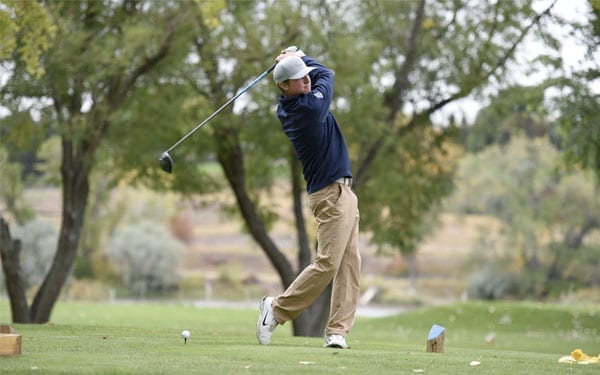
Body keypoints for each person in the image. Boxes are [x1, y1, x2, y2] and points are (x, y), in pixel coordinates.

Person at [256, 47, 361, 349]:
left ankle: (338, 331)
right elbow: (326, 73)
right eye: (299, 79)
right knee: (328, 263)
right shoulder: (306, 110)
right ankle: (275, 309)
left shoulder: (295, 101)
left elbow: (312, 76)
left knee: (350, 265)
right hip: (329, 195)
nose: (307, 81)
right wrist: (301, 55)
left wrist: (295, 62)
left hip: (344, 192)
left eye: (306, 76)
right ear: (283, 87)